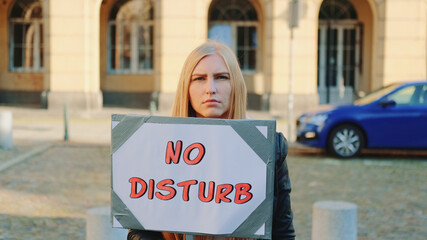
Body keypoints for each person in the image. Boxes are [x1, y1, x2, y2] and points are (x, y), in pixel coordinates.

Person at [128, 40, 295, 240]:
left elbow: (282, 231)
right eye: (199, 78)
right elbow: (139, 229)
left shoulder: (269, 146)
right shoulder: (157, 145)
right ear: (186, 88)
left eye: (221, 77)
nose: (210, 89)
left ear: (236, 85)